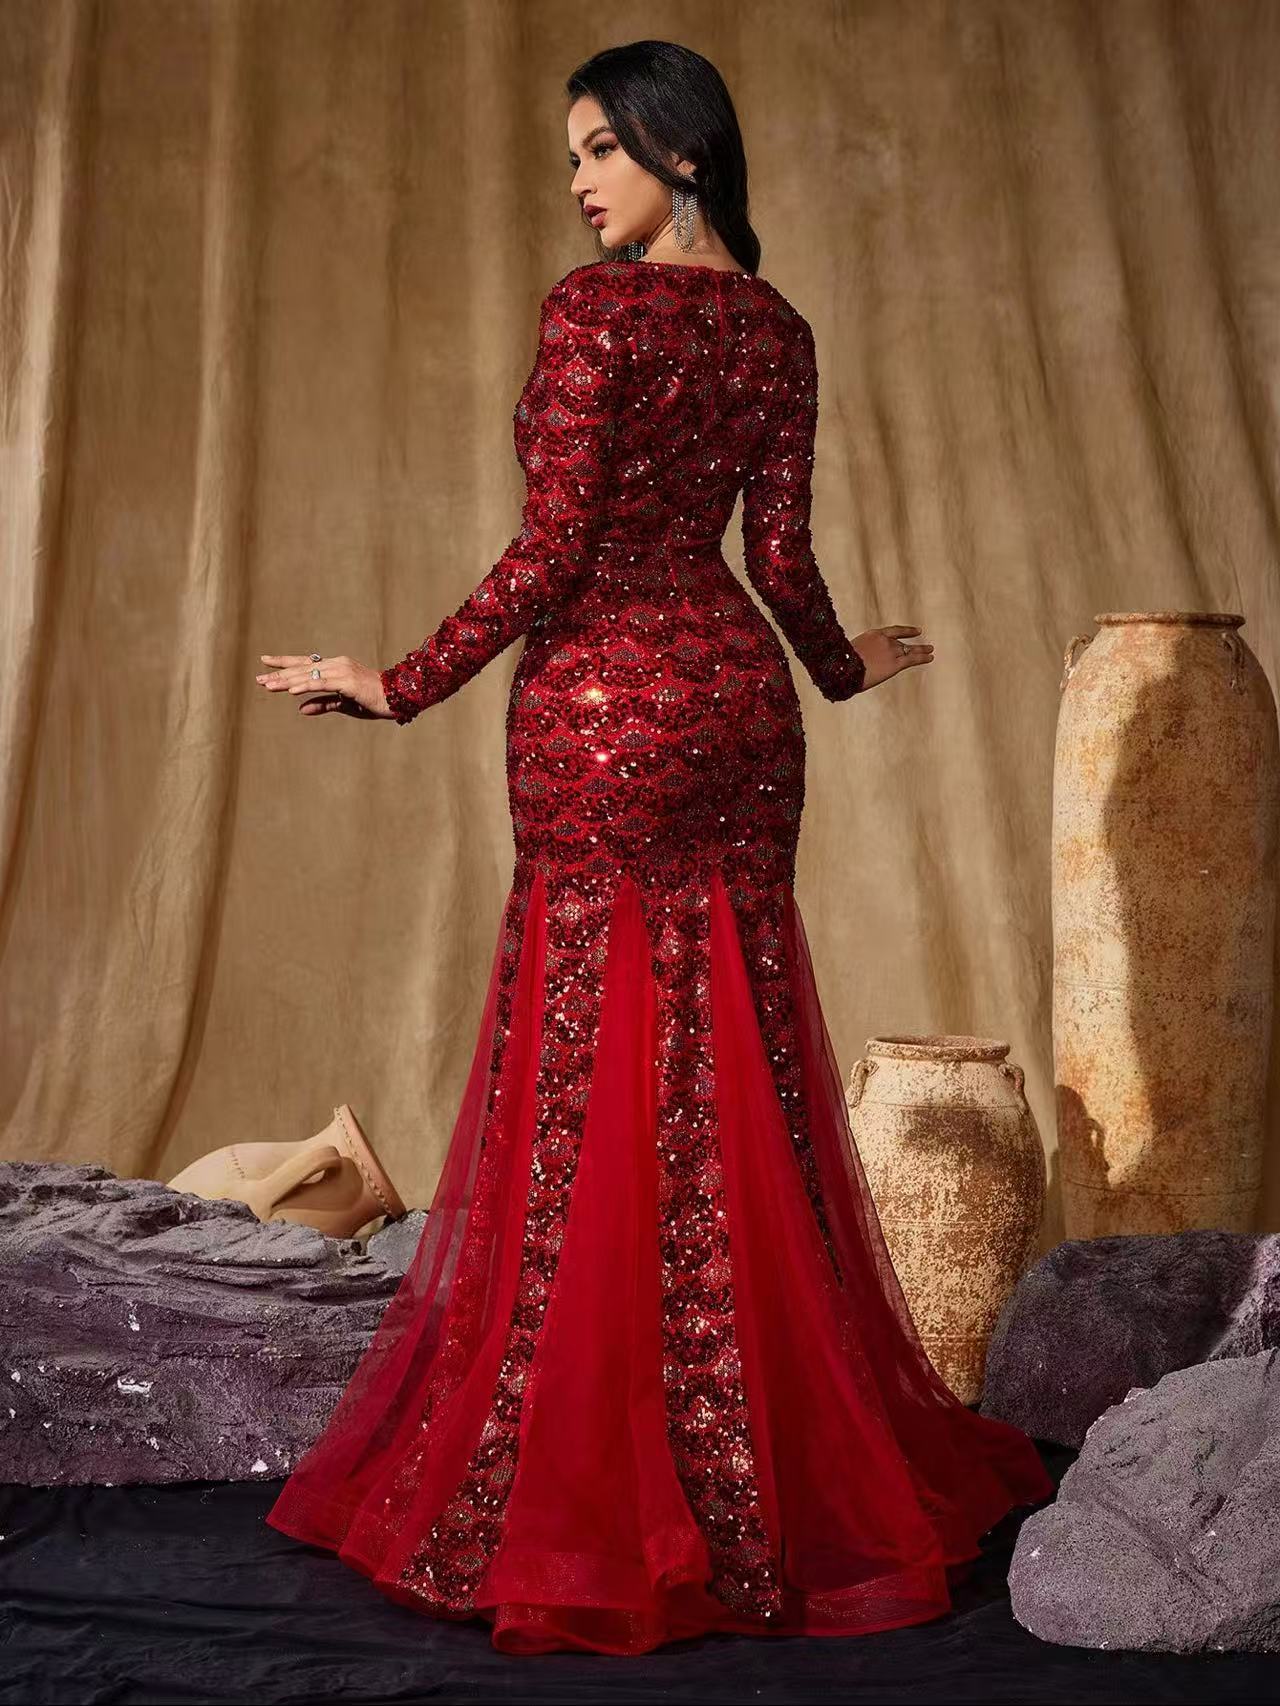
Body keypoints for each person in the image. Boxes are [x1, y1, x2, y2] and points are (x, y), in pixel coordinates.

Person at [255, 39, 1054, 1658]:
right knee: (728, 1061)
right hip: (740, 710)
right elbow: (782, 557)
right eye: (573, 157)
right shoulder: (778, 330)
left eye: (601, 149)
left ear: (684, 153)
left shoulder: (593, 315)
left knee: (595, 1065)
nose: (578, 182)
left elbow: (555, 546)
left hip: (603, 712)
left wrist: (400, 681)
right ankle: (761, 1470)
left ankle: (594, 1467)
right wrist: (839, 669)